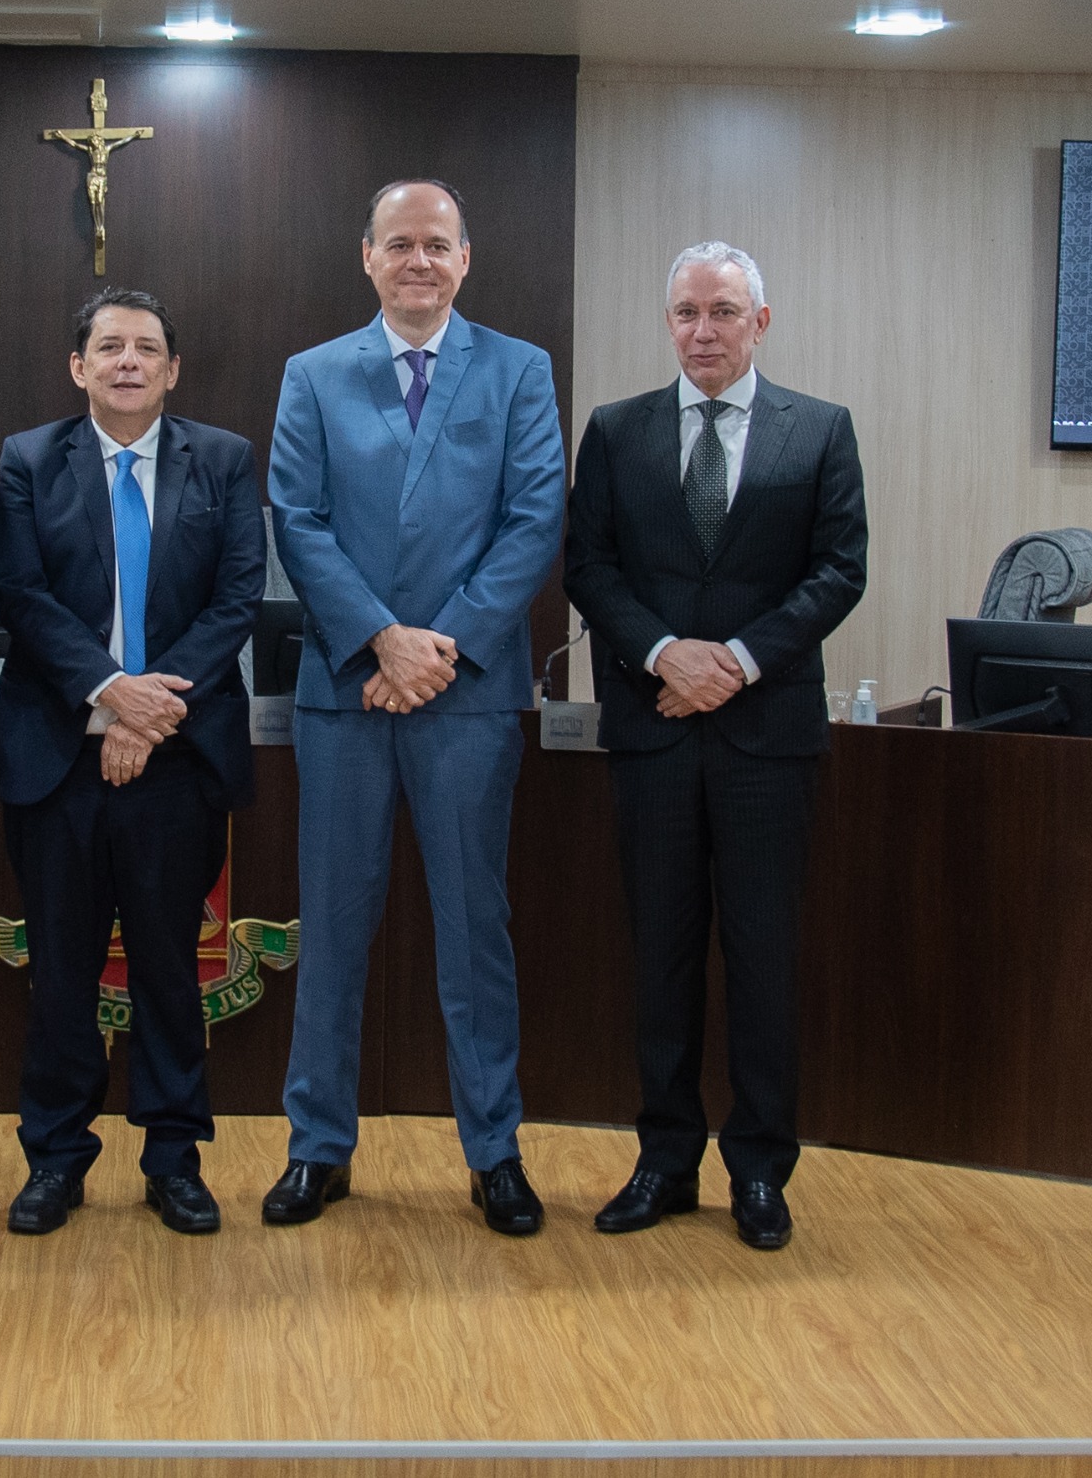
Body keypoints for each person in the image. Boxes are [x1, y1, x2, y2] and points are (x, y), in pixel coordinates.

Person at [262, 178, 567, 1235]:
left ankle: (494, 1151)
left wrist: (437, 647)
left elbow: (534, 519)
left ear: (465, 258)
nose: (419, 260)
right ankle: (317, 1148)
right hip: (346, 691)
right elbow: (295, 519)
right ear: (368, 257)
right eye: (400, 244)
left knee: (473, 931)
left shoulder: (520, 370)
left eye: (437, 244)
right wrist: (380, 638)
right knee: (333, 930)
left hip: (467, 694)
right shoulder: (312, 374)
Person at [562, 241, 867, 1252]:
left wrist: (733, 658)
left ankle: (759, 1168)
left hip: (766, 737)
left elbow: (837, 571)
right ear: (669, 322)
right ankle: (663, 1158)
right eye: (687, 311)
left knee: (762, 957)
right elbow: (589, 566)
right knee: (660, 955)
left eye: (723, 311)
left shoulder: (818, 430)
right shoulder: (615, 430)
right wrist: (661, 654)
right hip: (654, 733)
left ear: (760, 322)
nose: (703, 328)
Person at [0, 288, 265, 1236]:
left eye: (148, 348)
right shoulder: (30, 460)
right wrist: (110, 690)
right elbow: (22, 597)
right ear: (80, 367)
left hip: (178, 757)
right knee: (62, 970)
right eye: (110, 347)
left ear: (173, 370)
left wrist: (149, 711)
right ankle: (56, 1159)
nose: (129, 362)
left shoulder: (223, 460)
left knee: (167, 968)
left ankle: (175, 1158)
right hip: (58, 756)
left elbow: (236, 599)